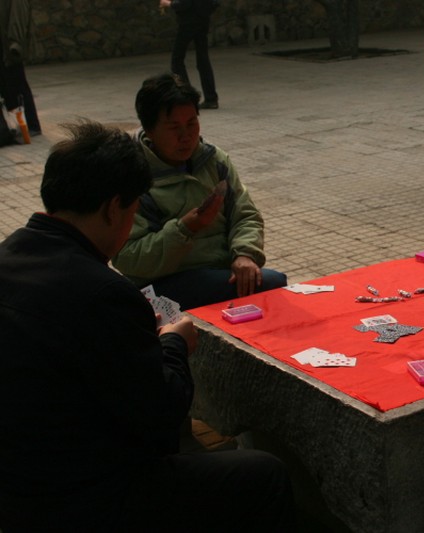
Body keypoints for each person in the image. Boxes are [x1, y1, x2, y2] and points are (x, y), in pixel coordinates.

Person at [0, 121, 295, 532]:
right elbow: (160, 417)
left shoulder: (9, 254)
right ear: (113, 208)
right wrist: (173, 344)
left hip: (15, 482)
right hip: (79, 496)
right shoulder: (103, 292)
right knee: (264, 473)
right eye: (133, 211)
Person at [112, 73, 287, 310]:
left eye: (192, 123)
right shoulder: (132, 177)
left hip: (222, 270)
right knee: (272, 283)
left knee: (271, 286)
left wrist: (245, 254)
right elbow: (128, 257)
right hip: (164, 282)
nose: (186, 136)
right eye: (174, 127)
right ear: (149, 130)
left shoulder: (215, 161)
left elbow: (245, 215)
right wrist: (184, 229)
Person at [161, 0, 219, 109]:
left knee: (177, 61)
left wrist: (169, 4)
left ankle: (186, 96)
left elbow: (184, 3)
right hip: (203, 20)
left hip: (188, 21)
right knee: (203, 61)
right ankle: (211, 98)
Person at [0, 0, 41, 135]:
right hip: (5, 46)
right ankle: (17, 125)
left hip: (10, 48)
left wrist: (15, 43)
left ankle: (32, 125)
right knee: (7, 88)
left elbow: (18, 20)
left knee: (18, 86)